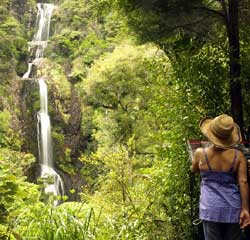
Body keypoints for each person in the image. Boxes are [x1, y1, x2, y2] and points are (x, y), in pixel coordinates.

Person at [191, 114, 250, 240]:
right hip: (232, 208)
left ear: (211, 134)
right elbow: (243, 182)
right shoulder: (238, 156)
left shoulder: (200, 154)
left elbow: (194, 169)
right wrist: (245, 209)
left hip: (210, 208)